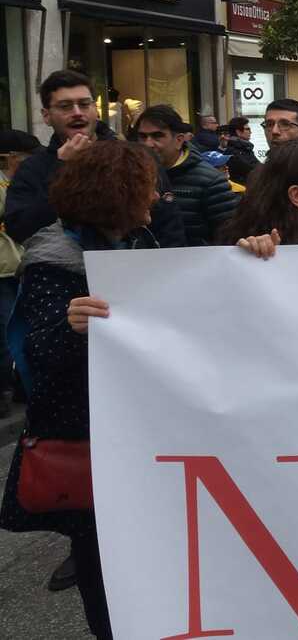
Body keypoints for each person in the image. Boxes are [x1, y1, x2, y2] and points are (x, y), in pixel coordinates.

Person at [0, 141, 167, 640]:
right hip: (84, 433)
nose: (157, 196)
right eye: (147, 187)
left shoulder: (138, 241)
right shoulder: (53, 258)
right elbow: (39, 354)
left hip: (135, 428)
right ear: (118, 194)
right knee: (101, 564)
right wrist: (71, 326)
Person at [3, 70, 186, 248]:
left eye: (84, 104)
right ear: (46, 116)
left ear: (95, 111)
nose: (77, 113)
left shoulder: (137, 157)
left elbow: (168, 223)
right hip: (66, 271)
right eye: (65, 106)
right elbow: (21, 229)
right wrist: (62, 169)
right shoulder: (34, 168)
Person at [134, 105, 238, 246]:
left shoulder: (210, 181)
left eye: (157, 136)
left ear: (179, 140)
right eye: (142, 136)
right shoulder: (132, 177)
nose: (148, 144)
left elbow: (231, 237)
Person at [0, 129, 41, 417]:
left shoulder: (17, 184)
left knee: (20, 328)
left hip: (18, 267)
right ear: (10, 158)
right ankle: (6, 389)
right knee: (5, 330)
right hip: (3, 272)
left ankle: (16, 385)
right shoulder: (7, 187)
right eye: (26, 159)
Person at [223, 116, 259, 181]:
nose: (250, 132)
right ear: (238, 132)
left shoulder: (244, 148)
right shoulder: (233, 151)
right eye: (247, 129)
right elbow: (253, 170)